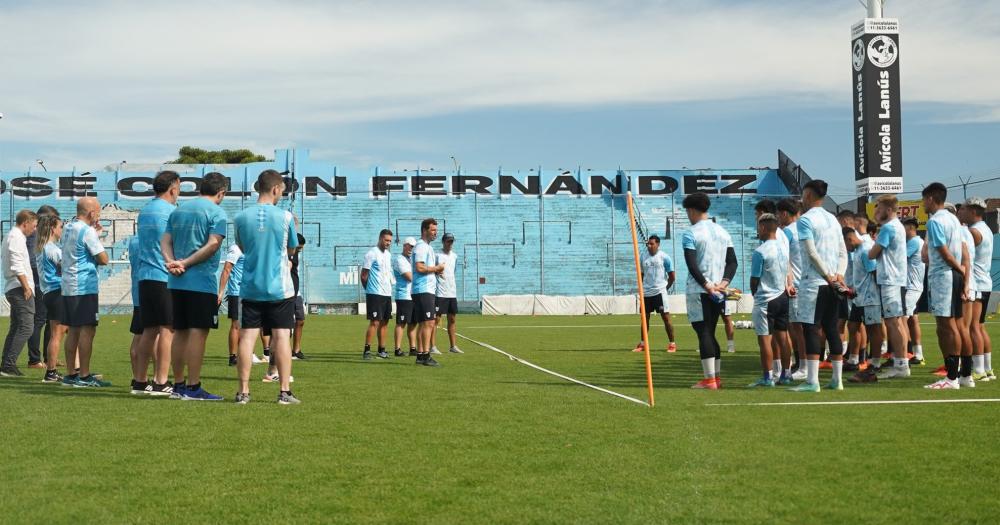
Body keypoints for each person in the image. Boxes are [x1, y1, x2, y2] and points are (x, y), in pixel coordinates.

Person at [233, 170, 300, 404]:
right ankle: (284, 392)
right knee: (282, 337)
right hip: (280, 288)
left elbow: (241, 246)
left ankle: (243, 392)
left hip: (251, 287)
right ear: (274, 189)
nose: (281, 194)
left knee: (247, 338)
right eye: (281, 189)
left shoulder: (240, 217)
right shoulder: (286, 217)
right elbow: (292, 249)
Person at [161, 172, 228, 401]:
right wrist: (185, 263)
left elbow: (165, 240)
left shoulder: (178, 210)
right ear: (221, 193)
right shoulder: (217, 213)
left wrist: (172, 262)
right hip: (201, 282)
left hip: (176, 281)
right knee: (198, 334)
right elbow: (212, 245)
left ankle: (178, 385)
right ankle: (193, 387)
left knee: (179, 332)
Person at [791, 180, 848, 392]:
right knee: (832, 329)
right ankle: (837, 379)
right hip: (833, 283)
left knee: (811, 329)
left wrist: (827, 275)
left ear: (807, 195)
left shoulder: (805, 220)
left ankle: (812, 381)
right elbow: (843, 252)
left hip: (814, 283)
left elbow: (811, 253)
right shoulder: (833, 219)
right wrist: (838, 275)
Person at [681, 192, 737, 390]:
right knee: (711, 332)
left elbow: (691, 264)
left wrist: (706, 284)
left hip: (699, 290)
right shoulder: (723, 232)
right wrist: (723, 282)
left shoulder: (691, 233)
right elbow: (732, 262)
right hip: (719, 290)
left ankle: (709, 379)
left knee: (703, 332)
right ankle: (716, 377)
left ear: (692, 210)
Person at [133, 170, 179, 396]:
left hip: (145, 277)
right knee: (167, 330)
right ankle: (161, 381)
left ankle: (140, 382)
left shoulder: (145, 211)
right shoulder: (171, 212)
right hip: (164, 276)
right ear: (173, 189)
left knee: (148, 330)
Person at [921, 184, 971, 390]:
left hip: (944, 276)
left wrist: (957, 268)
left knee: (947, 325)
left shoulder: (935, 221)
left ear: (931, 199)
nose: (923, 203)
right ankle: (966, 375)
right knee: (958, 325)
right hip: (953, 276)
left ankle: (951, 378)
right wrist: (961, 272)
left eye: (923, 199)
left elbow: (943, 251)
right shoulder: (953, 219)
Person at [59, 197, 110, 387]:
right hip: (84, 286)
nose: (100, 214)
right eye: (98, 211)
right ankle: (85, 375)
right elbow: (103, 259)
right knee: (88, 330)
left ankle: (71, 373)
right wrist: (96, 236)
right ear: (91, 213)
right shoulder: (87, 231)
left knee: (73, 329)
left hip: (68, 286)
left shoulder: (68, 227)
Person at [868, 195, 910, 380]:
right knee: (898, 321)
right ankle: (901, 362)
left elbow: (872, 253)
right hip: (896, 279)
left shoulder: (888, 228)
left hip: (890, 280)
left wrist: (874, 242)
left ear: (889, 209)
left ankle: (901, 365)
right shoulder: (897, 226)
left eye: (879, 208)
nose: (876, 212)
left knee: (893, 322)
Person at [747, 214, 791, 387]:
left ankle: (767, 378)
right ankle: (786, 375)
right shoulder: (783, 248)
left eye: (759, 227)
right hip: (782, 296)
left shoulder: (760, 251)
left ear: (763, 228)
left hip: (766, 299)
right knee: (783, 337)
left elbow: (754, 279)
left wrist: (754, 294)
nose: (758, 231)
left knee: (764, 339)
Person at [844, 227, 885, 384]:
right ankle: (854, 360)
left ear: (849, 239)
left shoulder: (865, 250)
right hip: (858, 296)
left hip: (870, 298)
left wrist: (878, 295)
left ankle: (874, 364)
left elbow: (875, 273)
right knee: (853, 326)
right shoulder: (858, 251)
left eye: (845, 244)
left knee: (873, 329)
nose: (846, 249)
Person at [1, 210, 39, 377]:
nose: (35, 229)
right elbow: (17, 264)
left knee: (17, 326)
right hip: (19, 287)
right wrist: (26, 287)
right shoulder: (16, 237)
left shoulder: (14, 236)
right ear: (26, 222)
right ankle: (8, 365)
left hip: (15, 286)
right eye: (34, 225)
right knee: (26, 326)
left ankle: (6, 364)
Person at [962, 198, 995, 381]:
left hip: (977, 283)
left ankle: (979, 370)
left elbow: (964, 255)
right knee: (980, 327)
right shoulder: (986, 229)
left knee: (973, 327)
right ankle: (987, 369)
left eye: (965, 209)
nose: (962, 212)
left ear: (974, 211)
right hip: (985, 282)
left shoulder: (974, 231)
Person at [218, 243, 266, 367]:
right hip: (237, 292)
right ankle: (233, 357)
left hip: (250, 292)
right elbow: (227, 269)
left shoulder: (252, 247)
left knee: (251, 325)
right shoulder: (235, 248)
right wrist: (221, 292)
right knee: (236, 325)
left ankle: (248, 353)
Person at [777, 198, 808, 380]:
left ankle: (803, 365)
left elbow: (784, 260)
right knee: (802, 327)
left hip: (795, 285)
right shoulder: (806, 228)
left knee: (797, 328)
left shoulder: (787, 232)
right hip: (809, 282)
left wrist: (787, 283)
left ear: (784, 214)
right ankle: (801, 362)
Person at [25, 205, 59, 370]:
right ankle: (34, 359)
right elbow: (33, 262)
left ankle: (49, 357)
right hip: (40, 284)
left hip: (44, 284)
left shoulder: (40, 236)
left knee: (50, 321)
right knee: (39, 320)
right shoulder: (35, 236)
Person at [35, 214, 66, 383]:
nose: (62, 230)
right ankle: (51, 372)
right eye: (60, 226)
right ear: (53, 228)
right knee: (57, 334)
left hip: (49, 292)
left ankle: (54, 371)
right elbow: (67, 267)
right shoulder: (52, 249)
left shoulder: (42, 248)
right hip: (57, 291)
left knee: (60, 332)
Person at [411, 218, 445, 367]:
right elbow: (419, 267)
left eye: (436, 230)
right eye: (432, 230)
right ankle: (425, 355)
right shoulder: (421, 247)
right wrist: (436, 269)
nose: (435, 233)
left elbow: (425, 268)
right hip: (422, 289)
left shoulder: (427, 247)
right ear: (424, 230)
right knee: (429, 322)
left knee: (424, 323)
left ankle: (420, 355)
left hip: (426, 289)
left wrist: (436, 272)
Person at [634, 235, 677, 353]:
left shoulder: (665, 257)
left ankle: (672, 344)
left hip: (660, 293)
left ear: (658, 244)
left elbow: (672, 276)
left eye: (652, 244)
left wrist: (665, 288)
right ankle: (642, 344)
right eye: (648, 244)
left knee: (666, 318)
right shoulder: (643, 256)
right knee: (644, 318)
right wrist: (642, 289)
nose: (649, 246)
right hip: (646, 293)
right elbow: (641, 275)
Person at [362, 229, 394, 360]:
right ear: (380, 238)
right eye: (386, 240)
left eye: (390, 241)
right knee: (374, 322)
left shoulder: (388, 255)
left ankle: (382, 350)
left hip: (386, 293)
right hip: (375, 293)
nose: (388, 243)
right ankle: (367, 351)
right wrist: (369, 290)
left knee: (385, 322)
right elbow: (364, 275)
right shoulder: (371, 253)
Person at [432, 232, 462, 354]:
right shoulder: (437, 255)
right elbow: (432, 271)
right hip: (440, 292)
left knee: (452, 319)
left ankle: (453, 346)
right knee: (436, 320)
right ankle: (432, 346)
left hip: (452, 292)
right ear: (443, 242)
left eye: (452, 241)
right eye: (448, 241)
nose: (450, 244)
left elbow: (453, 272)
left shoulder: (454, 256)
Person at [902, 217, 925, 366]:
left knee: (901, 318)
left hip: (911, 287)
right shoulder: (917, 242)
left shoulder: (914, 242)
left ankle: (902, 355)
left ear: (910, 227)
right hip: (913, 286)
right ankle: (917, 354)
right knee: (912, 319)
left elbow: (899, 258)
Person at [392, 237, 418, 357]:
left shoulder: (412, 259)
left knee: (413, 323)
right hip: (403, 296)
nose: (412, 249)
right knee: (401, 323)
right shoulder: (399, 259)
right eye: (410, 246)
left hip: (413, 295)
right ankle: (397, 349)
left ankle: (413, 348)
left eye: (413, 247)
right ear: (405, 245)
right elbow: (410, 277)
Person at [290, 232, 308, 360]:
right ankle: (278, 351)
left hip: (297, 293)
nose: (300, 250)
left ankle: (296, 350)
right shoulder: (287, 253)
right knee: (285, 325)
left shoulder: (296, 255)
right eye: (299, 248)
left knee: (300, 320)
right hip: (286, 293)